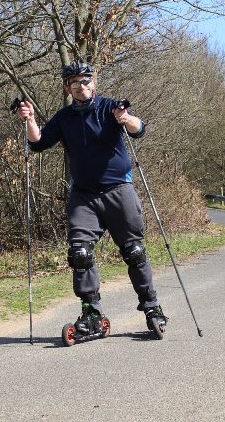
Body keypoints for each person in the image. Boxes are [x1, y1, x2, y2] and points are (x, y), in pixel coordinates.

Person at [14, 61, 167, 337]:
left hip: (118, 190)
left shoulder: (110, 107)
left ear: (93, 83)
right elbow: (37, 143)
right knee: (80, 253)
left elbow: (139, 128)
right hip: (83, 195)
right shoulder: (64, 117)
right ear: (67, 88)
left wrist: (126, 118)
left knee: (134, 251)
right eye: (74, 82)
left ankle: (151, 306)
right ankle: (91, 312)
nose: (81, 86)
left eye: (85, 81)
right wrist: (30, 119)